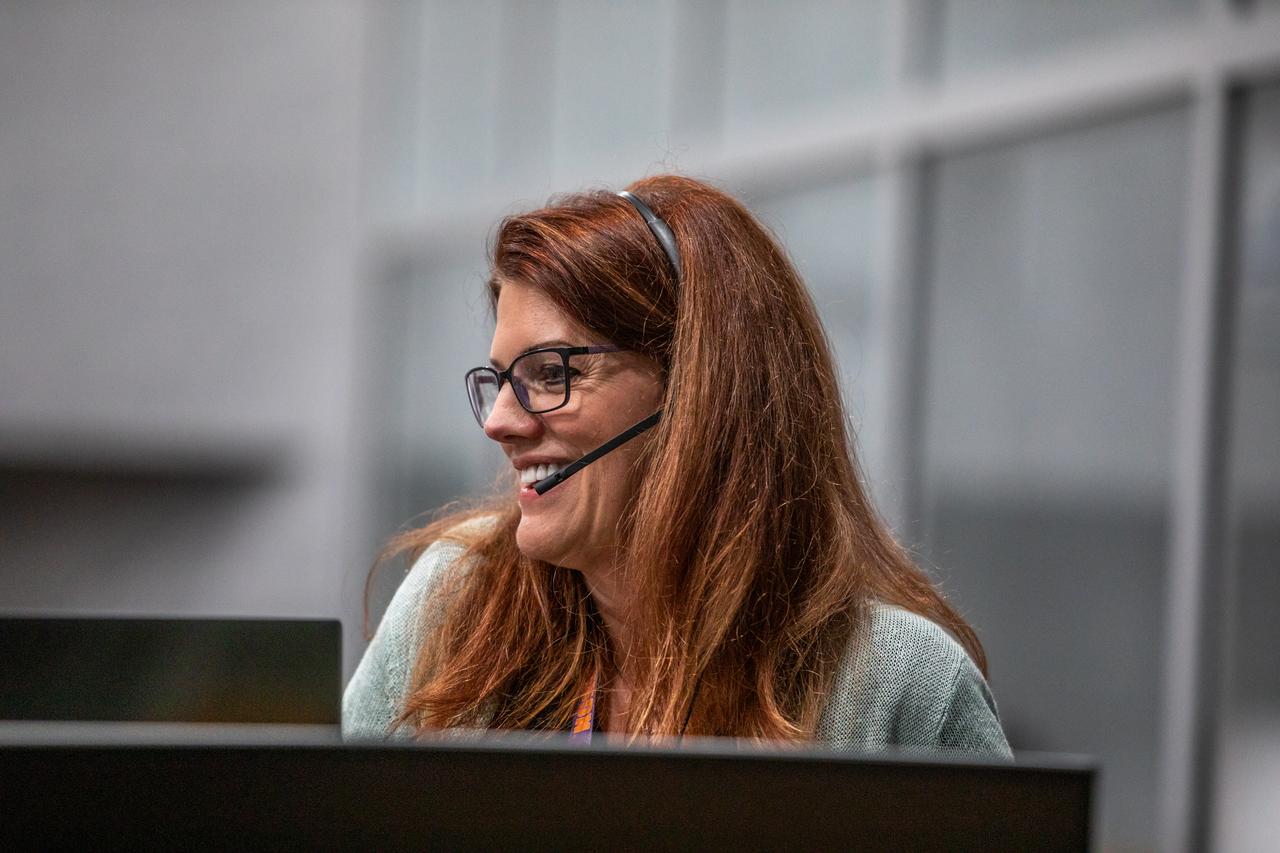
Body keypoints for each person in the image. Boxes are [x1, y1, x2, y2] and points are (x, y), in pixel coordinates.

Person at [343, 175, 1010, 756]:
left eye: (549, 374)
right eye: (500, 381)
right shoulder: (457, 605)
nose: (500, 422)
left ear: (694, 386)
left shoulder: (901, 683)